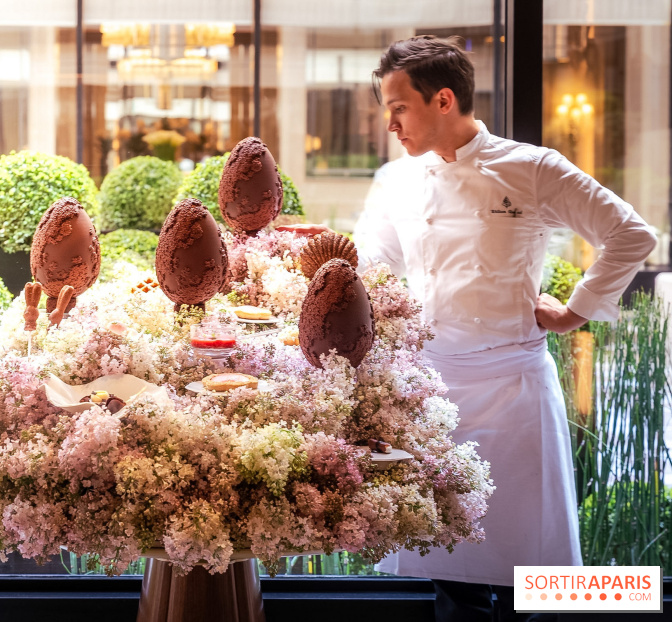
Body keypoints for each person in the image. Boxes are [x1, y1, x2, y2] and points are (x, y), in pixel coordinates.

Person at [279, 35, 656, 621]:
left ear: (444, 100)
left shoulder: (531, 167)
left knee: (522, 582)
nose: (391, 125)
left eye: (399, 108)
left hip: (513, 391)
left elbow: (632, 234)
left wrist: (575, 310)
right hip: (428, 396)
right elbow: (369, 276)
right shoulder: (395, 180)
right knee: (440, 573)